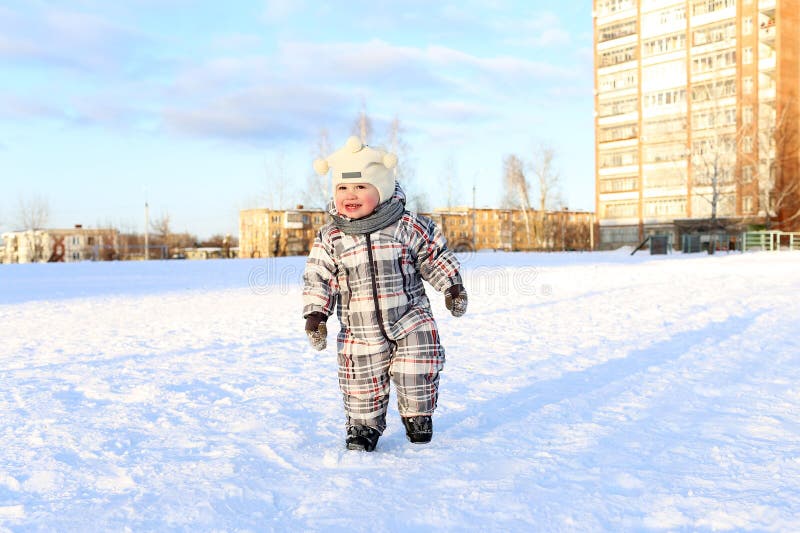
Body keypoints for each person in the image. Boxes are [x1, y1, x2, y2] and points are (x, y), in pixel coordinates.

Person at [302, 136, 468, 452]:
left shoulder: (407, 226)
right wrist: (316, 314)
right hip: (360, 327)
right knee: (360, 379)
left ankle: (418, 415)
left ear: (383, 189)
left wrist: (452, 287)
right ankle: (363, 428)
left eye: (361, 187)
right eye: (342, 188)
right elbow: (318, 277)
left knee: (417, 367)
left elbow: (433, 256)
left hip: (410, 317)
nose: (350, 195)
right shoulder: (331, 238)